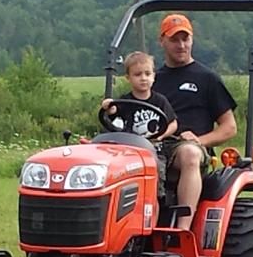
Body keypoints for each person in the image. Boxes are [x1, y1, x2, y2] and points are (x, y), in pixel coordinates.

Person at [153, 13, 238, 230]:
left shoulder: (206, 78)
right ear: (161, 41)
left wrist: (199, 141)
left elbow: (229, 128)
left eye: (185, 38)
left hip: (191, 148)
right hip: (156, 145)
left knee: (189, 154)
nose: (181, 45)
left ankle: (183, 229)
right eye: (174, 39)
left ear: (192, 40)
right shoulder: (152, 79)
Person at [101, 51, 178, 141]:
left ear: (153, 76)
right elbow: (112, 115)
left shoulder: (160, 101)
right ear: (128, 78)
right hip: (131, 146)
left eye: (147, 74)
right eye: (138, 75)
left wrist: (161, 136)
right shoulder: (124, 102)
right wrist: (109, 107)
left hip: (155, 146)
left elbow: (173, 123)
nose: (143, 78)